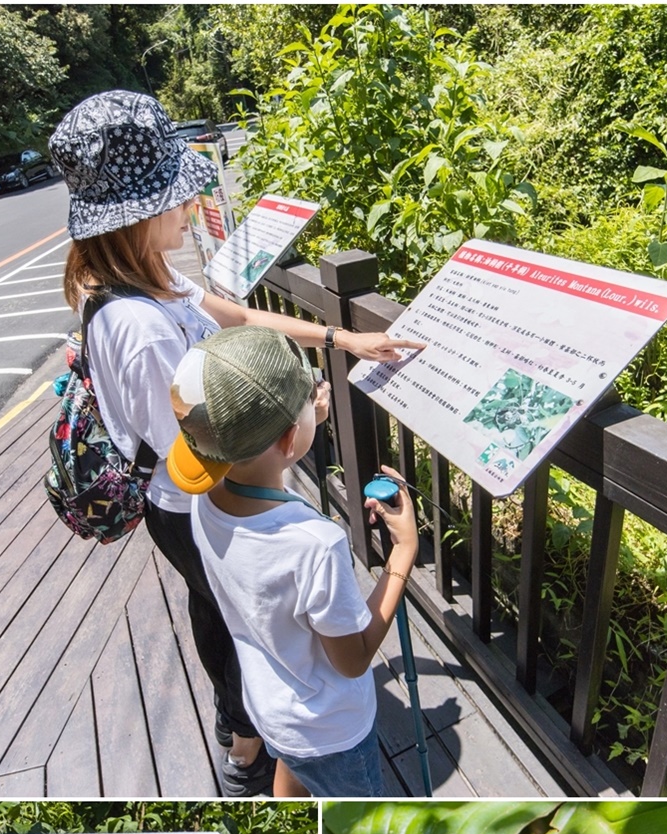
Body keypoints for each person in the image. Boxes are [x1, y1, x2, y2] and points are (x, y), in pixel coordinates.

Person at [47, 90, 423, 796]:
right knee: (232, 617)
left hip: (207, 493)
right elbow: (201, 444)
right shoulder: (140, 326)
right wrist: (295, 422)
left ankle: (252, 739)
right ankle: (245, 747)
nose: (189, 210)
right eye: (175, 199)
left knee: (226, 608)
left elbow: (239, 316)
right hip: (191, 498)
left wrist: (341, 338)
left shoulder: (150, 283)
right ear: (135, 215)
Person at [165, 326, 420, 797]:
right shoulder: (314, 545)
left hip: (270, 705)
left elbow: (257, 463)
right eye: (311, 399)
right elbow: (353, 659)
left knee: (293, 767)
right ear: (287, 439)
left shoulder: (206, 502)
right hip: (330, 731)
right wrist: (403, 552)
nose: (319, 400)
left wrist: (300, 423)